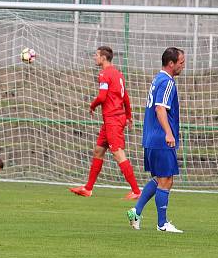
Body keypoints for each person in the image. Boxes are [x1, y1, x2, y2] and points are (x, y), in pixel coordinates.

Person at [127, 47, 186, 233]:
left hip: (151, 137)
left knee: (160, 178)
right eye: (181, 62)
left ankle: (136, 212)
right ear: (171, 63)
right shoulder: (167, 82)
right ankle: (162, 224)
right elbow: (160, 109)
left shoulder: (157, 79)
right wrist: (169, 133)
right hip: (161, 138)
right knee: (166, 179)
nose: (183, 66)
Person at [70, 46, 141, 199]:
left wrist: (92, 105)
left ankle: (136, 190)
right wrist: (128, 115)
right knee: (98, 151)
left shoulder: (104, 74)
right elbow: (125, 96)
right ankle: (88, 188)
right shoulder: (118, 74)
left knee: (118, 154)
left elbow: (102, 97)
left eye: (96, 55)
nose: (94, 57)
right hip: (112, 119)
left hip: (113, 119)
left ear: (103, 58)